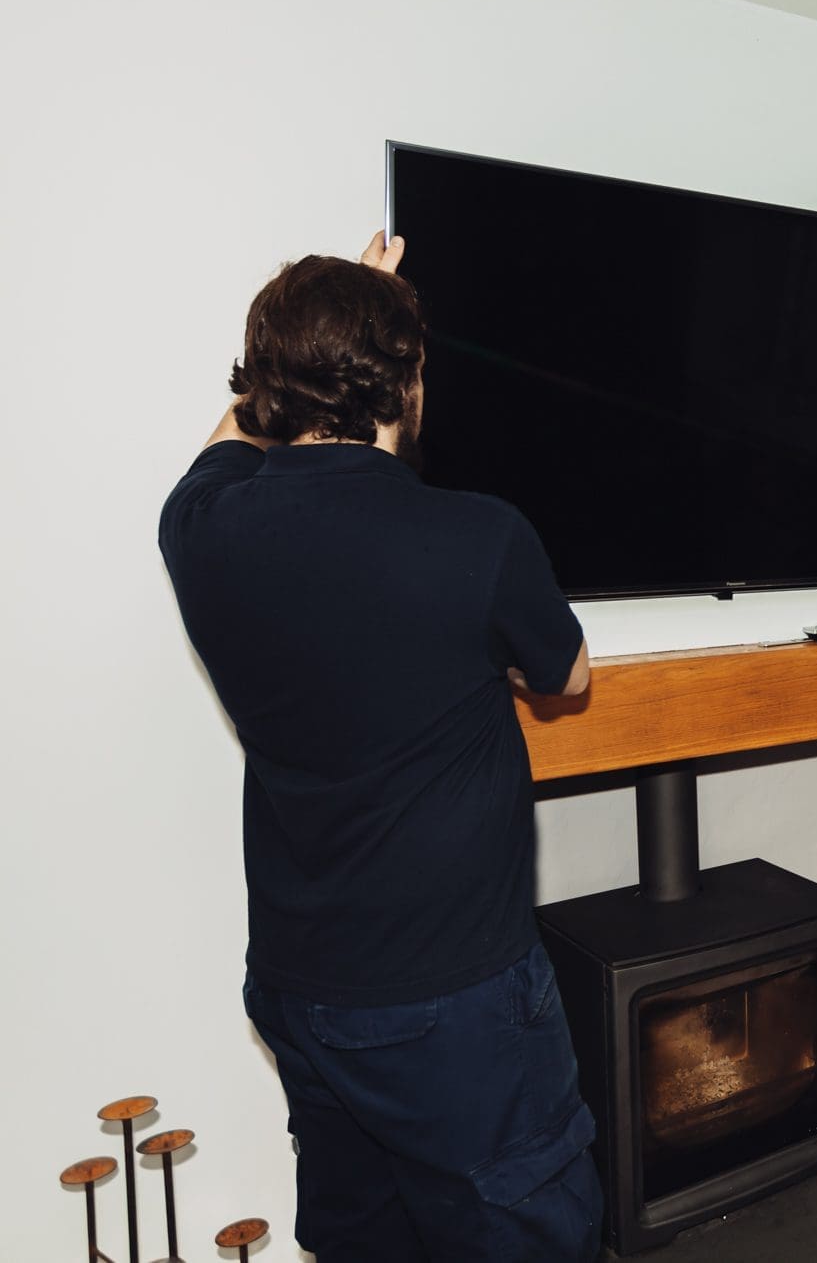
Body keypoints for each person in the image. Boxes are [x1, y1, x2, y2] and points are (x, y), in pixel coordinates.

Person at [158, 232, 602, 1262]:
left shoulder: (200, 528)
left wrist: (310, 343)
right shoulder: (478, 536)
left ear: (270, 389)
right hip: (455, 1004)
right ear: (405, 382)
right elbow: (569, 676)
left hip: (300, 988)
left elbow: (225, 438)